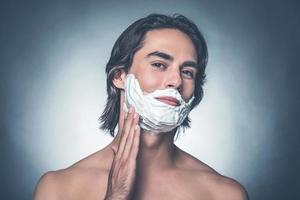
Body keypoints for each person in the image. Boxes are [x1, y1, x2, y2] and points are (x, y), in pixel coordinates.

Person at [34, 14, 248, 200]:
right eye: (159, 64)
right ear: (119, 76)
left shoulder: (224, 194)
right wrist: (115, 196)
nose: (176, 81)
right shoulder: (58, 189)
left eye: (187, 71)